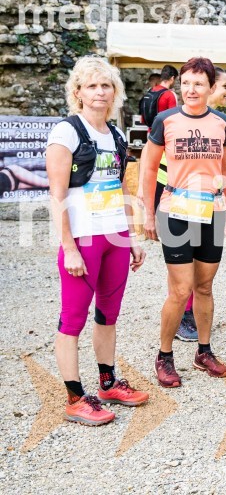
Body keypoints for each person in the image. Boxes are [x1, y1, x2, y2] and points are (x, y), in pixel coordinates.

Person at [45, 56, 149, 426]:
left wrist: (132, 236)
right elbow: (57, 196)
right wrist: (69, 247)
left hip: (114, 237)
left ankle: (107, 382)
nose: (100, 92)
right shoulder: (66, 133)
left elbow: (120, 188)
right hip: (84, 239)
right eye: (91, 86)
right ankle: (75, 397)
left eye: (106, 85)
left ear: (115, 91)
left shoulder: (116, 135)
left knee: (108, 315)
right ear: (78, 92)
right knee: (72, 319)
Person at [141, 57, 226, 388]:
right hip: (175, 210)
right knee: (181, 290)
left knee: (205, 286)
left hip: (211, 210)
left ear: (211, 88)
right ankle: (164, 356)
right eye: (186, 83)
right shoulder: (165, 120)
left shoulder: (221, 122)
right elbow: (149, 168)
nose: (191, 89)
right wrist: (148, 212)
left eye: (199, 83)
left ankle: (203, 352)